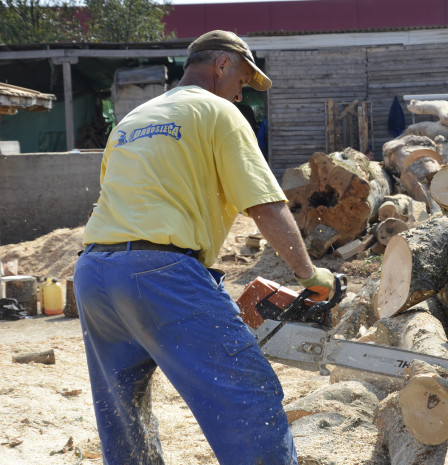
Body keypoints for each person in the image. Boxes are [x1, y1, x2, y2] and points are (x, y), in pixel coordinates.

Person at [73, 30, 335, 465]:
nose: (241, 93)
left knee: (124, 413)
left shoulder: (132, 120)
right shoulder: (219, 112)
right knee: (248, 396)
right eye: (243, 80)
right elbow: (266, 206)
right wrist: (310, 274)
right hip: (160, 274)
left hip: (95, 273)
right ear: (222, 65)